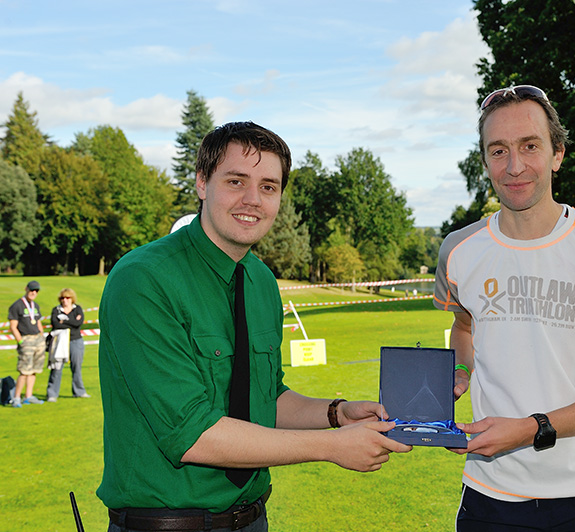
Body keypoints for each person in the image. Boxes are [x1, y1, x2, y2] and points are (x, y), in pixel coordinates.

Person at [97, 121, 411, 532]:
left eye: (268, 186)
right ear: (202, 183)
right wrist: (331, 446)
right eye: (236, 181)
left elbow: (265, 399)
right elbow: (193, 435)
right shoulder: (143, 279)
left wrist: (337, 414)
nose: (252, 199)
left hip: (252, 519)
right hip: (167, 522)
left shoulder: (260, 280)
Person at [433, 85, 575, 531]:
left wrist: (531, 428)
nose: (514, 166)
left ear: (557, 153)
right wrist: (460, 372)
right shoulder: (458, 249)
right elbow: (464, 328)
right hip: (491, 494)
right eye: (498, 151)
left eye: (530, 146)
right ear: (484, 161)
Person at [7, 280, 47, 407]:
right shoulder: (17, 305)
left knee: (34, 370)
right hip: (26, 340)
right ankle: (17, 397)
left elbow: (38, 321)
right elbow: (13, 326)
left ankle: (28, 396)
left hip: (38, 340)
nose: (33, 293)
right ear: (26, 289)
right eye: (32, 290)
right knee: (24, 371)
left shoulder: (35, 305)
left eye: (36, 291)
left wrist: (41, 335)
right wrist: (20, 341)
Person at [45, 288, 89, 401]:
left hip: (75, 340)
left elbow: (78, 323)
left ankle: (79, 391)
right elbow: (55, 324)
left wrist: (64, 321)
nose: (65, 300)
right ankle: (52, 394)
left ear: (72, 299)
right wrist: (71, 321)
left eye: (68, 298)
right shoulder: (56, 310)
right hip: (59, 342)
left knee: (76, 367)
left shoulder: (77, 309)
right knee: (57, 367)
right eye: (63, 298)